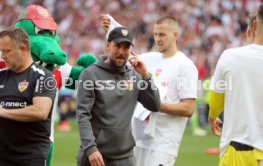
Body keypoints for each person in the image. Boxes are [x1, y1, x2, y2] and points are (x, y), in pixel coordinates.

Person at [101, 15, 198, 166]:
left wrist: (155, 104)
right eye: (155, 34)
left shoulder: (185, 65)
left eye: (162, 34)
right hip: (138, 139)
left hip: (164, 143)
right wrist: (111, 31)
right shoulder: (149, 58)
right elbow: (121, 57)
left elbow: (188, 109)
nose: (158, 38)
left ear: (175, 35)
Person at [76, 26, 160, 166]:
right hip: (96, 157)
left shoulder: (135, 74)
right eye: (118, 46)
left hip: (126, 158)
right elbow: (83, 115)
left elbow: (155, 105)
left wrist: (146, 75)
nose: (121, 52)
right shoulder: (90, 74)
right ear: (108, 46)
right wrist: (90, 149)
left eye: (126, 47)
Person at [208, 2, 263, 166]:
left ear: (254, 25)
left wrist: (212, 117)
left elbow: (216, 100)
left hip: (236, 153)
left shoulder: (229, 57)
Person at [0, 27, 56, 166]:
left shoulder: (43, 76)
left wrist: (3, 111)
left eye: (7, 51)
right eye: (1, 51)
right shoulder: (1, 76)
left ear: (23, 49)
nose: (3, 56)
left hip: (30, 156)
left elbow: (40, 111)